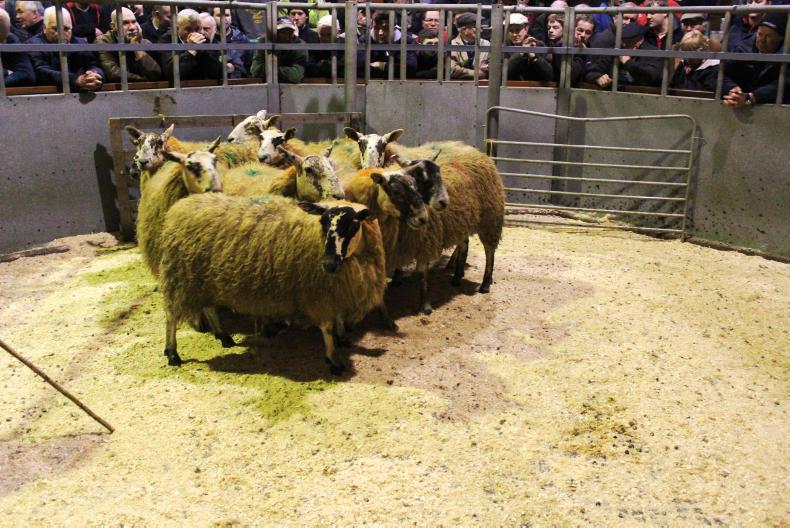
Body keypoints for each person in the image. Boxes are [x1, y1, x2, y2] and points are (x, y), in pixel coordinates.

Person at [28, 6, 104, 91]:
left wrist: (94, 75)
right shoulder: (33, 44)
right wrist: (75, 80)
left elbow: (94, 65)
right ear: (44, 28)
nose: (61, 34)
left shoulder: (80, 42)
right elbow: (42, 72)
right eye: (55, 29)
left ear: (72, 28)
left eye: (66, 29)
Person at [723, 12, 789, 107]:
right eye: (760, 34)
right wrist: (732, 90)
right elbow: (717, 73)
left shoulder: (786, 54)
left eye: (769, 36)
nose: (762, 40)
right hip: (742, 102)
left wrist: (752, 97)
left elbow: (785, 84)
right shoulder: (743, 48)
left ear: (781, 38)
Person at [583, 21, 662, 89]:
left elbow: (649, 78)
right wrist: (597, 77)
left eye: (629, 41)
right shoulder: (616, 50)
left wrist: (628, 62)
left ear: (640, 40)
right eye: (623, 40)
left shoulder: (653, 53)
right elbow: (591, 71)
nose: (624, 44)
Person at [96, 7, 161, 83]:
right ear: (113, 26)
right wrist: (144, 80)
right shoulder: (104, 41)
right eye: (125, 23)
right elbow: (113, 74)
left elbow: (156, 74)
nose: (132, 27)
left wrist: (136, 47)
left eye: (134, 22)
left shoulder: (144, 42)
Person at [159, 9, 222, 82]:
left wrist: (203, 52)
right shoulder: (167, 40)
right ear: (177, 29)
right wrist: (191, 50)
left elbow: (217, 73)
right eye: (188, 29)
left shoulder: (203, 39)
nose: (193, 33)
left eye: (197, 29)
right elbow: (171, 72)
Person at [359, 10, 417, 79]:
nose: (380, 33)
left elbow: (411, 69)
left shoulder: (407, 41)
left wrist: (383, 65)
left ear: (394, 29)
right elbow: (360, 68)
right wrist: (394, 69)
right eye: (376, 28)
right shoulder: (365, 40)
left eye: (385, 28)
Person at [251, 16, 307, 83]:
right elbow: (255, 71)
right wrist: (286, 72)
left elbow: (295, 76)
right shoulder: (264, 41)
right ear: (276, 32)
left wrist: (270, 70)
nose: (287, 37)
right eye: (283, 33)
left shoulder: (300, 45)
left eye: (290, 33)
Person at [1, 7, 35, 86]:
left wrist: (3, 81)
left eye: (3, 40)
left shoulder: (11, 39)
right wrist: (5, 72)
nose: (2, 43)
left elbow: (27, 74)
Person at [212, 7, 252, 74]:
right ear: (212, 18)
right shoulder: (208, 39)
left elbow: (249, 66)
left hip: (239, 79)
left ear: (231, 18)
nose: (223, 18)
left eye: (227, 15)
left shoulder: (242, 39)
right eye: (219, 15)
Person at [449, 12, 488, 80]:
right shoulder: (452, 44)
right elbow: (452, 69)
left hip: (482, 84)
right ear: (464, 30)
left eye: (481, 27)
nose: (481, 30)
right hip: (459, 84)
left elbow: (494, 65)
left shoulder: (486, 44)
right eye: (476, 27)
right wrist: (475, 74)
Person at [306, 14, 342, 78]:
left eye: (329, 34)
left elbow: (346, 70)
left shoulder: (345, 46)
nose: (325, 39)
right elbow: (309, 70)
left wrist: (323, 64)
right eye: (322, 34)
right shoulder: (313, 46)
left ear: (338, 33)